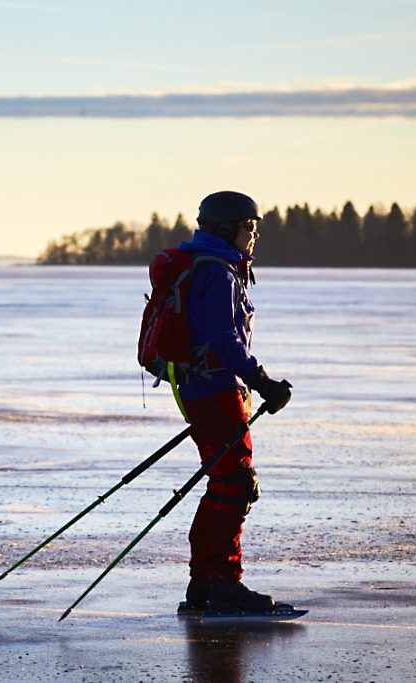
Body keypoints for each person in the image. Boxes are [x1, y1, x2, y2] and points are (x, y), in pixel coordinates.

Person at [177, 190, 292, 610]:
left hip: (204, 389)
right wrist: (263, 382)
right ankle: (223, 582)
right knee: (236, 483)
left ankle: (205, 583)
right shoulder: (219, 274)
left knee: (225, 482)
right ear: (227, 229)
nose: (254, 235)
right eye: (249, 227)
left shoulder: (209, 267)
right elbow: (225, 342)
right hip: (215, 390)